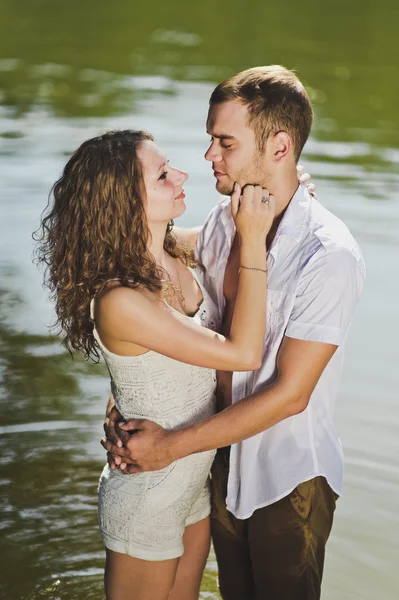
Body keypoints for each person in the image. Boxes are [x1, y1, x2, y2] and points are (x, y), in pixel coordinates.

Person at [103, 66, 366, 600]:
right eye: (210, 140)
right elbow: (162, 247)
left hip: (285, 478)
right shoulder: (226, 223)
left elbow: (290, 396)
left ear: (280, 147)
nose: (208, 157)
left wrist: (169, 447)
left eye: (224, 142)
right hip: (217, 463)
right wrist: (125, 389)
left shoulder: (328, 255)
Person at [35, 128, 276, 600]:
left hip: (189, 484)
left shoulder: (172, 252)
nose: (183, 174)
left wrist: (285, 190)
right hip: (145, 494)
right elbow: (244, 353)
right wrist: (253, 241)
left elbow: (229, 224)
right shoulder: (122, 300)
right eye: (163, 174)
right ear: (126, 203)